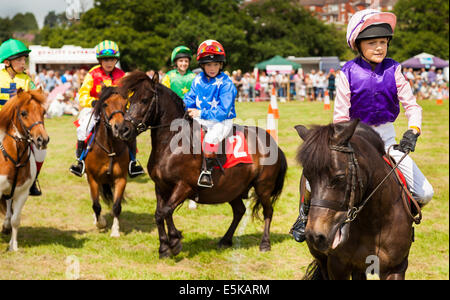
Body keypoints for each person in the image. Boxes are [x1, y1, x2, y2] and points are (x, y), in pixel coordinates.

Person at [291, 9, 434, 243]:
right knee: (311, 178)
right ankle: (303, 214)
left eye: (383, 42)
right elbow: (340, 116)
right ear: (358, 45)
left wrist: (413, 131)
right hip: (354, 140)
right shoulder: (347, 72)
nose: (379, 47)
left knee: (426, 192)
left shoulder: (395, 69)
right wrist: (340, 141)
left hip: (387, 142)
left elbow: (413, 107)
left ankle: (403, 222)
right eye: (372, 42)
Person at [69, 40, 144, 177]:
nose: (109, 63)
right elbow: (82, 95)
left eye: (112, 59)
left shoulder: (122, 75)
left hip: (117, 111)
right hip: (95, 108)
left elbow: (129, 95)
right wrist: (92, 102)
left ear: (116, 60)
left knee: (130, 130)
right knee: (83, 127)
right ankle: (80, 162)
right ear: (100, 60)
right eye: (105, 60)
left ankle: (133, 162)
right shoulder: (92, 74)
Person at [183, 40, 237, 188]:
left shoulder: (227, 84)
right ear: (202, 65)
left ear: (221, 65)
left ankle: (207, 171)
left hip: (221, 120)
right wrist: (184, 106)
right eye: (208, 65)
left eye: (215, 64)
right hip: (201, 117)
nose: (212, 68)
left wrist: (200, 112)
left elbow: (222, 111)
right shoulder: (198, 79)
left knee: (211, 138)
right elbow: (190, 97)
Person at [0, 38, 45, 196]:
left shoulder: (27, 80)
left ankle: (32, 182)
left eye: (24, 59)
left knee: (41, 151)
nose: (23, 62)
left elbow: (35, 98)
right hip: (1, 123)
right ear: (7, 62)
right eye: (19, 59)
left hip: (20, 125)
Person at [161, 45, 198, 209]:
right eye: (181, 61)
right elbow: (164, 95)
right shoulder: (169, 77)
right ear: (175, 63)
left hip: (190, 114)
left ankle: (192, 189)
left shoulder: (194, 77)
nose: (183, 63)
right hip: (173, 116)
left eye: (186, 61)